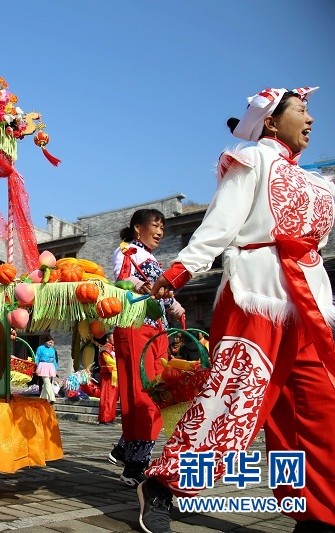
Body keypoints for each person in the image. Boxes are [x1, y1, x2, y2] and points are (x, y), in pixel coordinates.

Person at [138, 86, 335, 533]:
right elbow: (220, 225)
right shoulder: (253, 161)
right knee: (235, 403)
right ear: (270, 121)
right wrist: (178, 273)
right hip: (256, 294)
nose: (311, 120)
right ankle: (165, 486)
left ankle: (317, 511)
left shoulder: (318, 182)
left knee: (318, 408)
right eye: (302, 111)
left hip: (306, 306)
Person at [110, 209, 185, 488]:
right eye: (156, 225)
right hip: (136, 326)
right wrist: (143, 286)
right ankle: (134, 465)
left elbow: (162, 294)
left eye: (163, 227)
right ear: (137, 227)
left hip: (157, 331)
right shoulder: (126, 251)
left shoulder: (152, 258)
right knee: (142, 394)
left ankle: (126, 451)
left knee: (156, 393)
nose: (161, 231)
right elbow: (123, 280)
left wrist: (175, 306)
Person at [96, 332, 118, 424]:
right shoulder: (104, 348)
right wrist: (119, 365)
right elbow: (108, 361)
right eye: (113, 337)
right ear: (107, 339)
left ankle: (111, 417)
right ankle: (105, 418)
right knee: (107, 397)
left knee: (113, 397)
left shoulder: (115, 349)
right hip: (108, 375)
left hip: (114, 375)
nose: (114, 339)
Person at [35, 336, 58, 404]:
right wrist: (36, 367)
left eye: (51, 342)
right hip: (43, 365)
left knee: (46, 384)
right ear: (46, 342)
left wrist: (56, 368)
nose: (50, 344)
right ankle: (52, 398)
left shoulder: (52, 349)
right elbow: (37, 358)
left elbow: (54, 359)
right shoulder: (40, 348)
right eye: (49, 342)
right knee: (47, 382)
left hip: (50, 366)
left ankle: (42, 398)